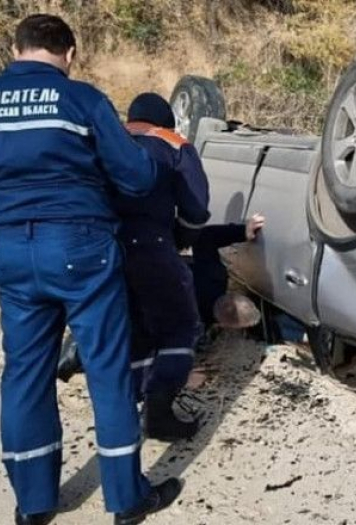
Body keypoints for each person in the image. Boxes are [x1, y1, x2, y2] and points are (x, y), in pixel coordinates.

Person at [0, 14, 180, 525]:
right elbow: (135, 177)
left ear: (15, 48)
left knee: (25, 373)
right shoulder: (81, 99)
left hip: (12, 252)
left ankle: (34, 503)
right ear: (70, 53)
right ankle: (126, 498)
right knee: (108, 371)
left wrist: (5, 201)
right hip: (81, 245)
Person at [116, 92, 211, 442]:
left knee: (133, 326)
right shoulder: (172, 142)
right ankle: (158, 409)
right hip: (152, 246)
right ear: (166, 120)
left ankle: (133, 401)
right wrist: (181, 236)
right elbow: (196, 206)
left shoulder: (108, 139)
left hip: (103, 249)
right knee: (180, 325)